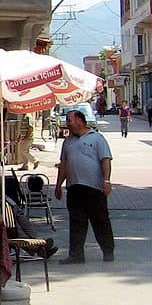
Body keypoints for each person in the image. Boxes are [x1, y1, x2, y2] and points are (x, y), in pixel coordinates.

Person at [55, 109, 115, 263]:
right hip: (74, 187)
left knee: (100, 220)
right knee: (76, 222)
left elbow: (105, 160)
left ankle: (108, 251)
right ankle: (76, 255)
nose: (67, 123)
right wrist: (58, 185)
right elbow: (64, 164)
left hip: (94, 188)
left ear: (80, 121)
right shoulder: (68, 141)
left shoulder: (97, 138)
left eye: (69, 120)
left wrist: (106, 181)